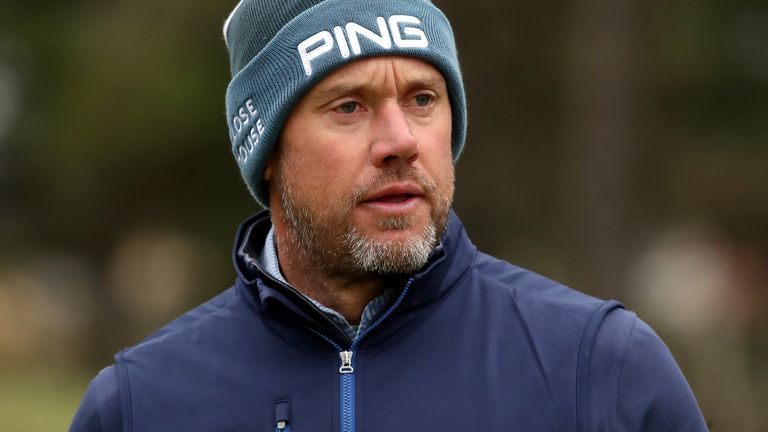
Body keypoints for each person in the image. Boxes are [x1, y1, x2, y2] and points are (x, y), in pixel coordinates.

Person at [70, 0, 708, 430]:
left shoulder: (599, 370)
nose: (401, 139)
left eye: (423, 98)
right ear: (266, 150)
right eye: (349, 106)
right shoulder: (142, 404)